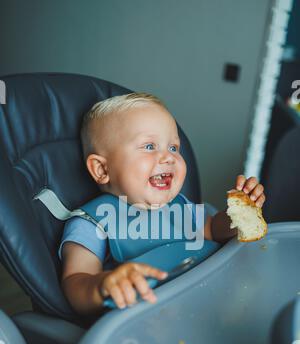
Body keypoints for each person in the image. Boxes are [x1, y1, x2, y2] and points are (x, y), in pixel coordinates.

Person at [58, 93, 266, 314]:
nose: (169, 157)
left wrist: (240, 214)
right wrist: (103, 285)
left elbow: (212, 231)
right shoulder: (92, 222)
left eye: (174, 148)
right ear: (102, 169)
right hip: (152, 320)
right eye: (149, 146)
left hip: (212, 298)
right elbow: (75, 283)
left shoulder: (179, 204)